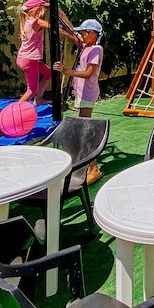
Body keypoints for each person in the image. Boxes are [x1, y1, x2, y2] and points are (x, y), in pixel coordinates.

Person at [54, 18, 104, 184]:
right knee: (83, 128)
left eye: (84, 33)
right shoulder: (86, 47)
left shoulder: (96, 49)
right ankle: (86, 165)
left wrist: (66, 71)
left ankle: (93, 168)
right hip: (81, 92)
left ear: (93, 34)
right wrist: (58, 25)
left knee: (85, 129)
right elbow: (72, 35)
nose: (81, 36)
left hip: (88, 93)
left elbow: (88, 73)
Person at [17, 0, 78, 106]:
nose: (45, 13)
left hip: (24, 58)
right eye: (43, 10)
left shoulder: (27, 20)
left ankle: (39, 99)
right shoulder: (37, 22)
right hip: (29, 60)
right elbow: (57, 29)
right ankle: (15, 111)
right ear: (37, 10)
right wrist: (74, 38)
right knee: (31, 90)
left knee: (49, 73)